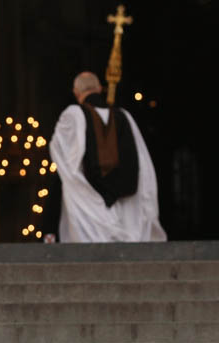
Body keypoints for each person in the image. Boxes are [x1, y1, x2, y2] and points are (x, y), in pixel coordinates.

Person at [46, 71, 166, 242]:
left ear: (76, 92)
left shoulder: (73, 116)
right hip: (128, 214)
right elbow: (144, 167)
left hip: (87, 211)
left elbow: (65, 163)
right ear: (99, 89)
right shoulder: (124, 117)